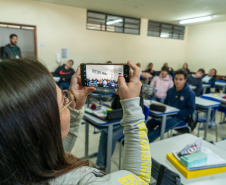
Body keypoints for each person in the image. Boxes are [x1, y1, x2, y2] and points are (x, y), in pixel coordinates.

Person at [0, 59, 151, 184]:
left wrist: (74, 105)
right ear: (42, 125)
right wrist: (132, 104)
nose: (69, 99)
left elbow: (54, 150)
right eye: (63, 100)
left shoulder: (21, 165)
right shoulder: (82, 181)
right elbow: (139, 178)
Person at [147, 69, 195, 143]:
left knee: (162, 127)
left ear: (185, 80)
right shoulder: (170, 91)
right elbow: (166, 104)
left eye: (181, 79)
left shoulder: (190, 93)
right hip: (167, 115)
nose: (178, 81)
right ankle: (145, 140)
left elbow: (191, 110)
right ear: (173, 79)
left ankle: (143, 145)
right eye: (176, 79)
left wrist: (177, 112)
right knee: (149, 123)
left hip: (179, 117)